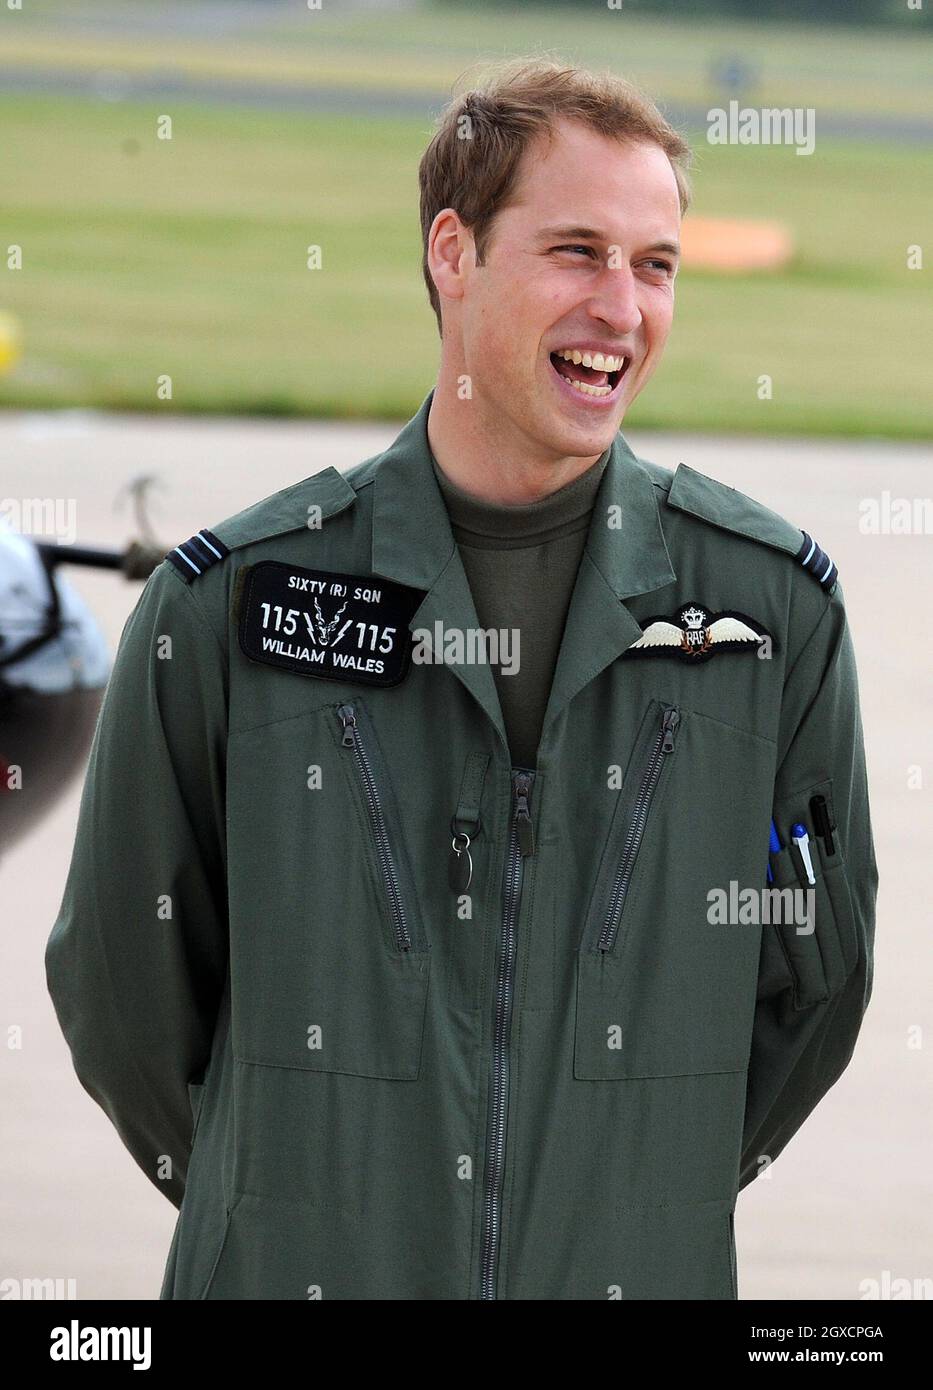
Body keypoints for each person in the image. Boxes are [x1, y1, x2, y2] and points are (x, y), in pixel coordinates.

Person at [45, 58, 877, 1301]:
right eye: (578, 252)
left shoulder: (770, 615)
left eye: (655, 266)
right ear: (453, 252)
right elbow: (123, 988)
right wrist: (298, 1197)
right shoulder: (231, 606)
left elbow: (817, 978)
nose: (622, 307)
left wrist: (626, 1194)